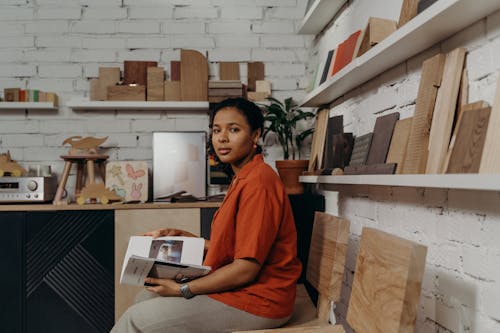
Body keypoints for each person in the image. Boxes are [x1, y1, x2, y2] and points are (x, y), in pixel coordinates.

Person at [111, 98, 302, 333]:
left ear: (255, 136)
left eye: (234, 129)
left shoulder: (258, 182)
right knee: (144, 298)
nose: (222, 137)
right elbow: (241, 248)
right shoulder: (244, 177)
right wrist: (187, 239)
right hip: (247, 290)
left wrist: (184, 289)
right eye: (216, 130)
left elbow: (246, 268)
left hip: (260, 299)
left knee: (136, 319)